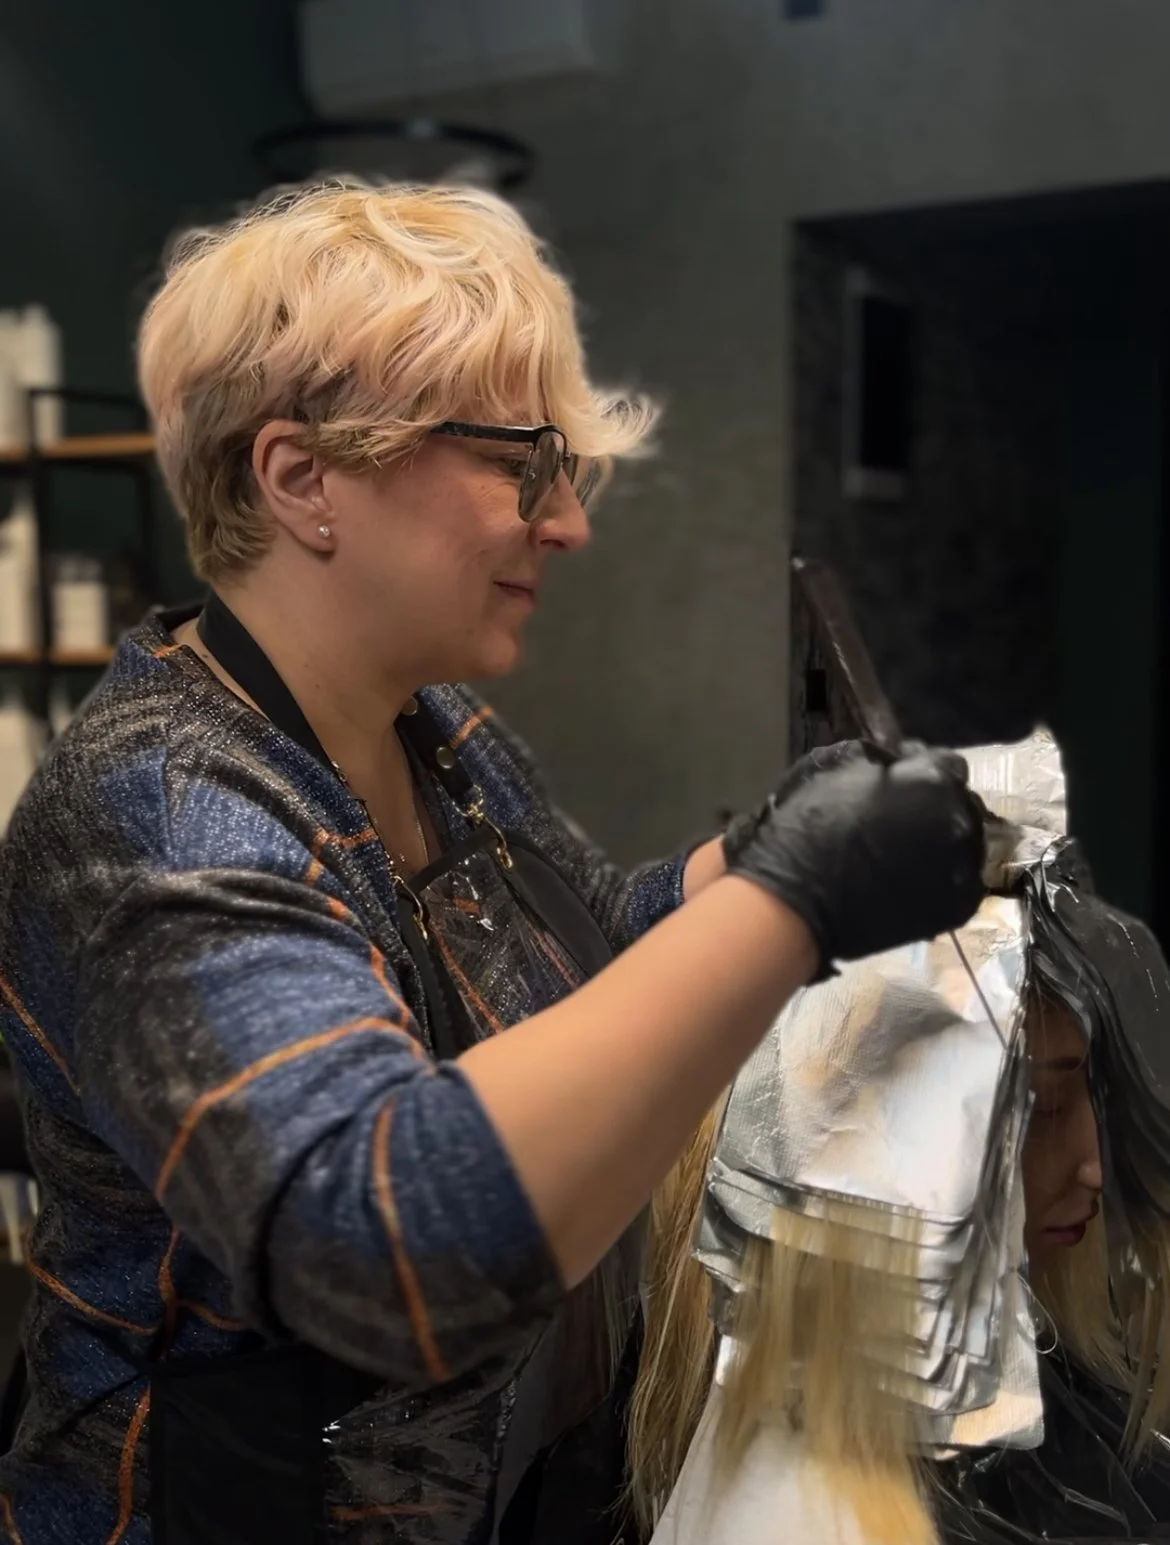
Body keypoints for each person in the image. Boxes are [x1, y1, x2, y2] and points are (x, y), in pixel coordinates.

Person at [0, 180, 984, 1545]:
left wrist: (743, 861)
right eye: (522, 462)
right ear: (302, 479)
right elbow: (390, 1249)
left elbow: (574, 956)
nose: (566, 520)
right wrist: (790, 900)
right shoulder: (158, 814)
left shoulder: (430, 725)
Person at [630, 735, 1170, 1545]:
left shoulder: (1043, 1372)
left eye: (1090, 1093)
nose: (1097, 1167)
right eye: (1044, 1105)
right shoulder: (797, 1517)